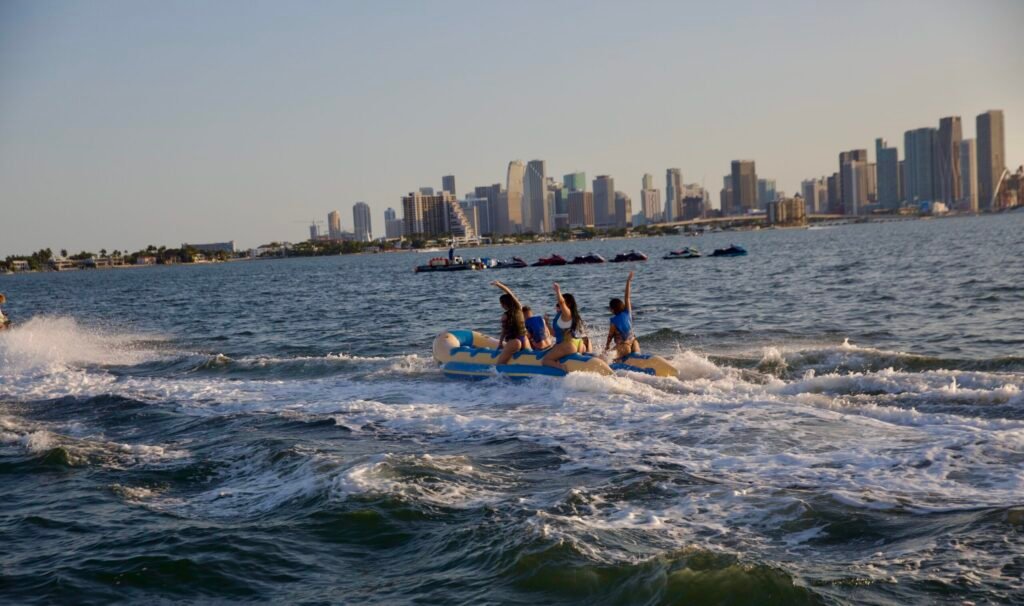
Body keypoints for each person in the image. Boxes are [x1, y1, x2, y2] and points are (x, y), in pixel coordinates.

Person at [542, 282, 589, 370]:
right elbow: (555, 334)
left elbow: (561, 302)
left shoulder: (567, 314)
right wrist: (547, 323)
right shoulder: (562, 316)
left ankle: (561, 367)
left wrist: (557, 291)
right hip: (576, 343)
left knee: (546, 360)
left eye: (561, 303)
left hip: (568, 345)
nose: (559, 304)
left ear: (569, 304)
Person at [490, 281, 529, 364]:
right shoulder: (519, 308)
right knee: (528, 360)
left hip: (514, 342)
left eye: (501, 304)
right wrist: (499, 285)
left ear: (504, 304)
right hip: (525, 339)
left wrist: (500, 343)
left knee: (499, 365)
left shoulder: (505, 316)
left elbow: (504, 331)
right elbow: (510, 293)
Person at [605, 271, 641, 361]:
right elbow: (627, 297)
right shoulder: (628, 312)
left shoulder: (613, 320)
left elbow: (610, 336)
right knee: (637, 359)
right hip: (634, 343)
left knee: (606, 358)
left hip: (624, 347)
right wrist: (628, 281)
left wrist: (607, 347)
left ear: (613, 309)